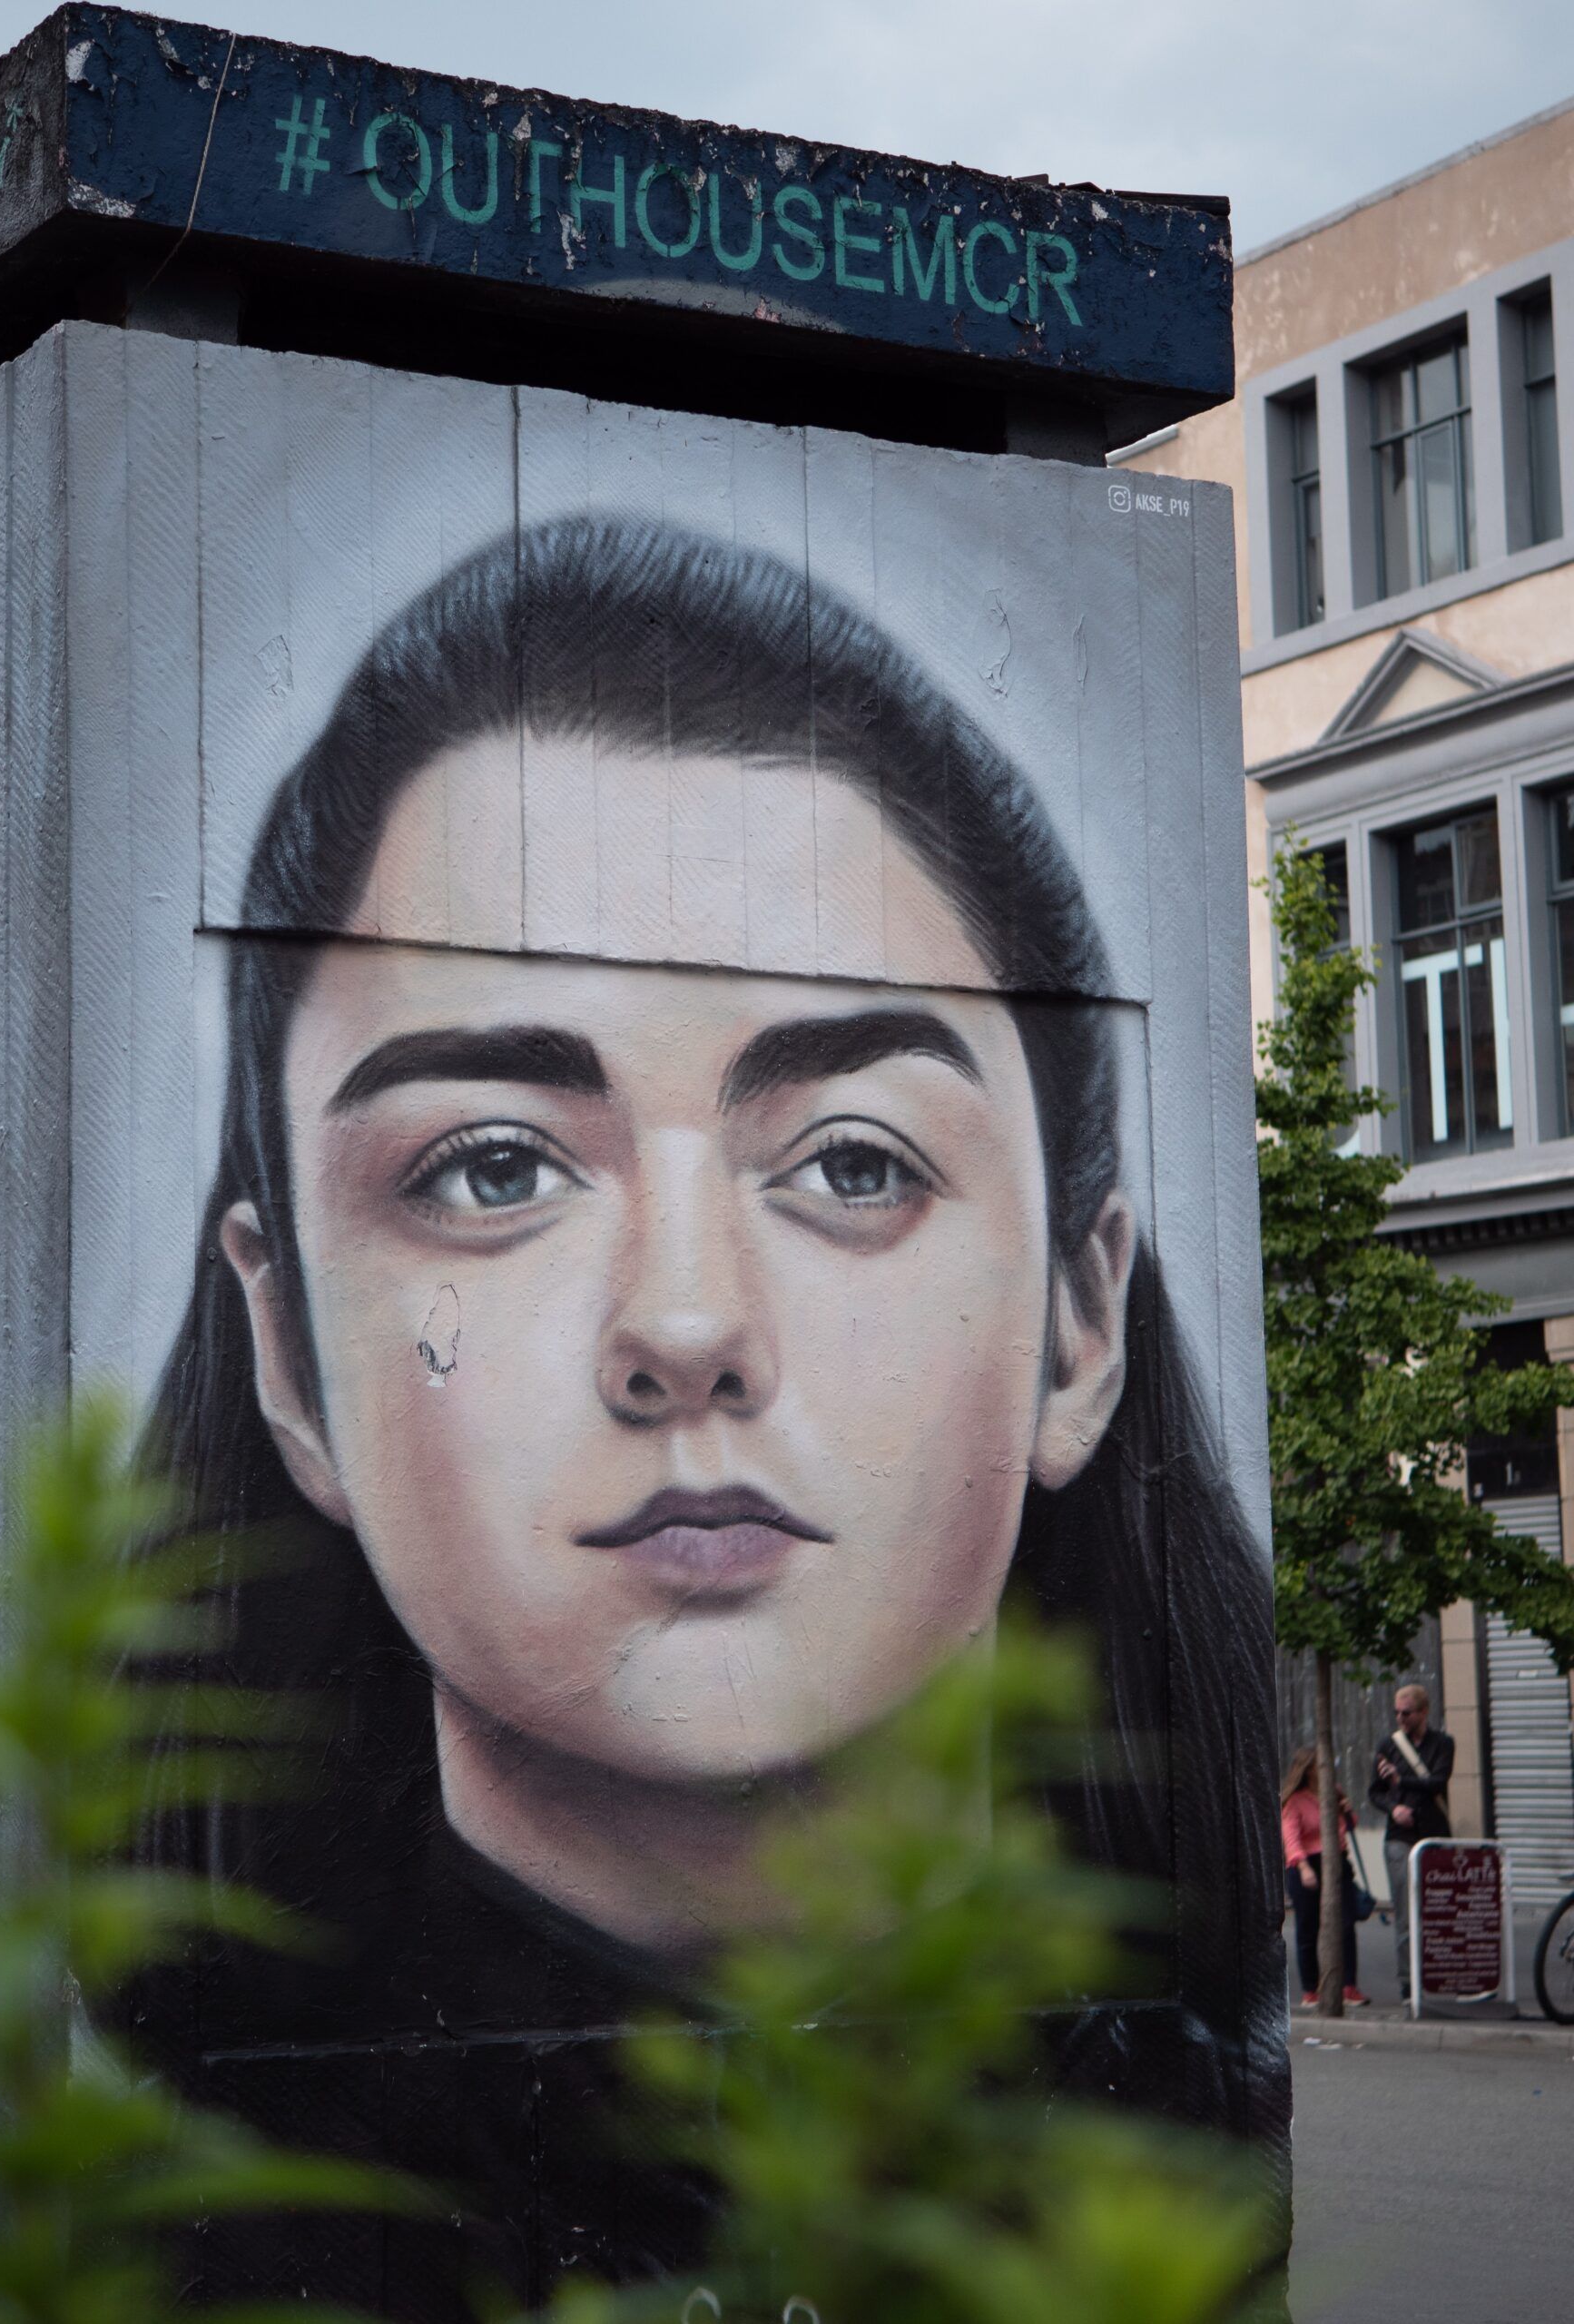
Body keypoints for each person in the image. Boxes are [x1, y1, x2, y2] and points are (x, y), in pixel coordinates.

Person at [126, 513, 1284, 2313]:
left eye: (850, 1158)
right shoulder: (138, 2238)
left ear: (1076, 1317)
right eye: (493, 1163)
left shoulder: (1200, 2201)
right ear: (286, 1352)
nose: (684, 1322)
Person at [1371, 1681, 1454, 1999]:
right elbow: (1374, 1792)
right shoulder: (1388, 1745)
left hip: (1434, 1836)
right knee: (1406, 1912)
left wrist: (1400, 1780)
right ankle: (1409, 1982)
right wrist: (1394, 1809)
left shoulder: (1442, 1744)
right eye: (1396, 1712)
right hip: (1400, 1837)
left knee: (1440, 1908)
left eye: (1407, 1713)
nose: (1400, 1718)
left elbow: (1438, 1782)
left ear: (1423, 1712)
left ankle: (1441, 1972)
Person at [1280, 1747, 1368, 2005]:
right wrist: (1304, 1868)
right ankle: (1311, 1990)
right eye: (1321, 1765)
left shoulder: (1333, 1791)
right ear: (1308, 1770)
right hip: (1307, 1864)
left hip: (1336, 1861)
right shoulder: (1295, 1800)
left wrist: (1347, 1810)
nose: (1328, 1768)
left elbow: (1348, 1826)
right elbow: (1291, 1838)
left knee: (1345, 1925)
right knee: (1309, 1928)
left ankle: (1349, 1986)